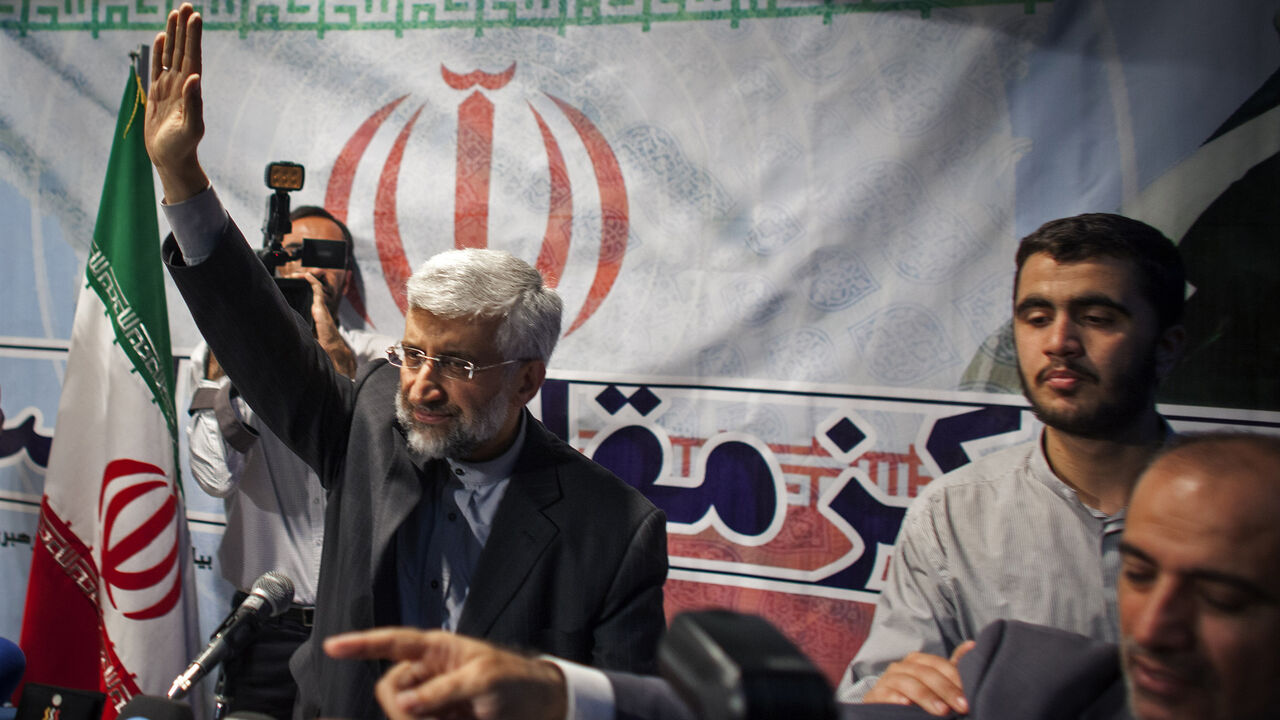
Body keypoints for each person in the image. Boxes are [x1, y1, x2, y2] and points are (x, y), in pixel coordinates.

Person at [144, 7, 668, 719]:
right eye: (413, 352)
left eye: (455, 365)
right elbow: (261, 340)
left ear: (526, 379)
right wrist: (180, 174)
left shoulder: (612, 528)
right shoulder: (373, 416)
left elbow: (630, 705)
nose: (420, 384)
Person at [327, 431, 1280, 720]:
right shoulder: (1023, 682)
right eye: (1140, 573)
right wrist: (550, 689)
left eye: (1224, 596)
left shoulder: (611, 524)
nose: (1153, 626)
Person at [838, 212, 1187, 714]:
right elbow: (875, 690)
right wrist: (895, 693)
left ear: (1168, 346)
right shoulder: (952, 513)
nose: (1059, 343)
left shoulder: (1242, 517)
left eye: (1096, 318)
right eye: (1037, 317)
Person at [186, 204, 393, 719]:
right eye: (295, 255)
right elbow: (214, 477)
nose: (312, 270)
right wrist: (247, 359)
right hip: (266, 624)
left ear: (347, 272)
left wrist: (327, 350)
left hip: (360, 626)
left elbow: (379, 464)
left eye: (327, 257)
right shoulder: (214, 353)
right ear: (270, 266)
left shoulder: (386, 358)